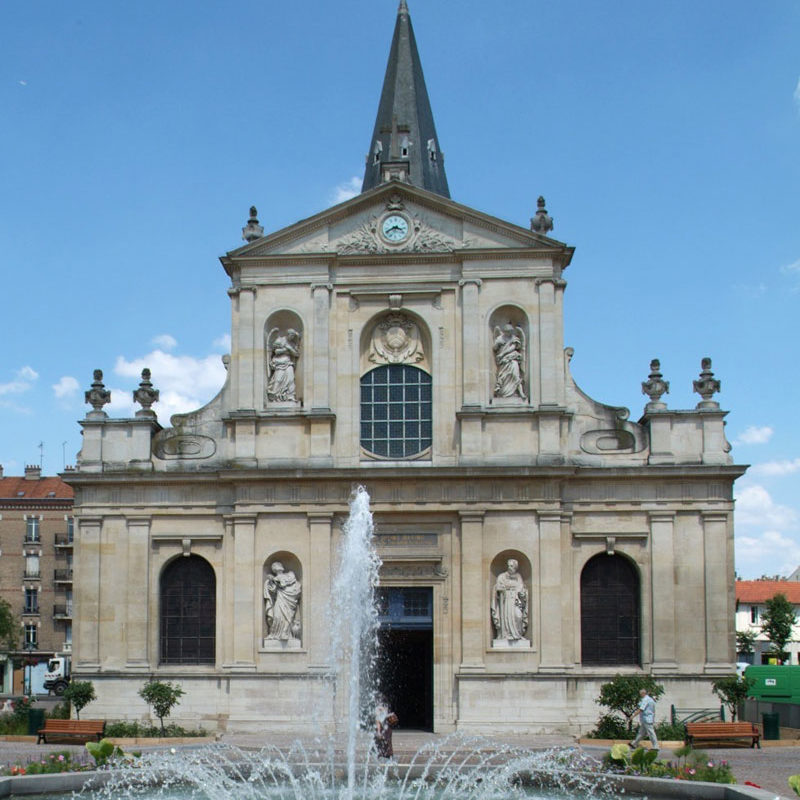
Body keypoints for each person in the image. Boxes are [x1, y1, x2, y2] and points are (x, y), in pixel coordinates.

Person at [490, 558, 528, 641]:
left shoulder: (518, 576)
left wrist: (521, 591)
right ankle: (506, 634)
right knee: (506, 617)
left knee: (518, 615)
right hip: (505, 601)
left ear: (515, 567)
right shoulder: (502, 576)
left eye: (512, 566)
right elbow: (497, 587)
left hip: (516, 600)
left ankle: (517, 634)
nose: (509, 567)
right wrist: (503, 588)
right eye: (509, 565)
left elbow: (520, 588)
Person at [264, 561, 302, 640]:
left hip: (289, 600)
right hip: (280, 598)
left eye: (279, 565)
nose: (279, 566)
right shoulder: (274, 579)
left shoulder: (290, 574)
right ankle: (275, 634)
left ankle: (285, 633)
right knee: (278, 616)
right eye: (276, 566)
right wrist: (271, 582)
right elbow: (273, 591)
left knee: (289, 616)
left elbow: (295, 585)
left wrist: (275, 580)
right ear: (274, 569)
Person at [492, 324, 527, 400]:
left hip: (512, 358)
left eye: (510, 331)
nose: (509, 332)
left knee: (516, 375)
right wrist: (497, 345)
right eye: (507, 331)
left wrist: (502, 354)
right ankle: (503, 393)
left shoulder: (514, 338)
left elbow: (513, 347)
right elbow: (494, 348)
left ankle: (520, 393)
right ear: (505, 331)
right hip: (503, 362)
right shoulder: (499, 338)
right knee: (503, 376)